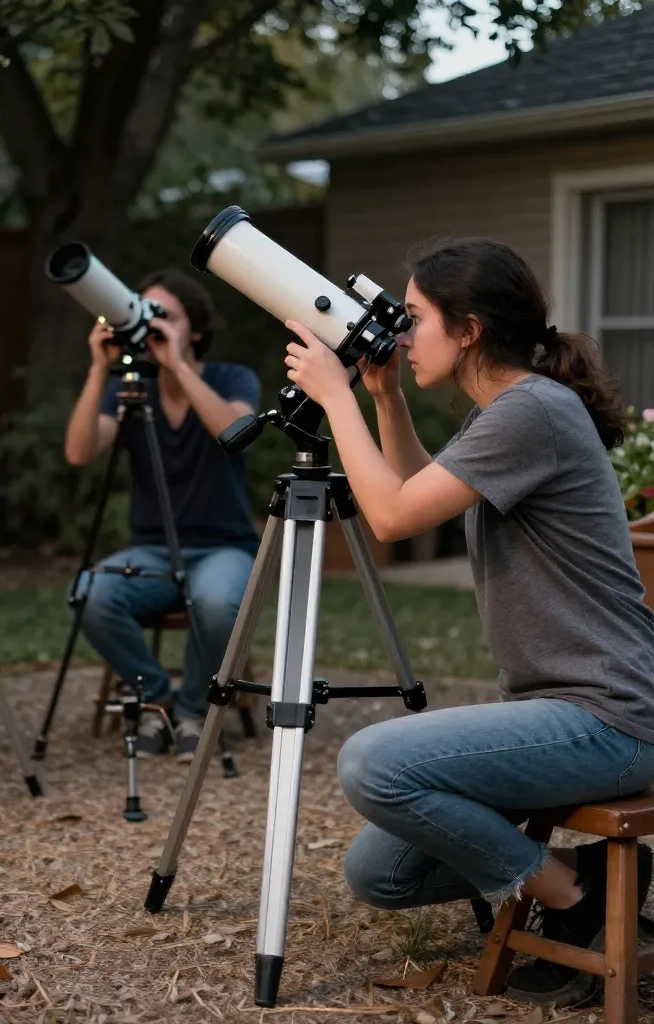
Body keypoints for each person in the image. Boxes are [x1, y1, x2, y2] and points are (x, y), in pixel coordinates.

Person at [283, 237, 654, 1007]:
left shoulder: (533, 413)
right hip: (560, 710)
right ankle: (575, 882)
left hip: (614, 717)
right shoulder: (512, 412)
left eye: (415, 317)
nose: (401, 333)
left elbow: (387, 517)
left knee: (372, 763)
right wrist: (383, 397)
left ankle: (568, 901)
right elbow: (418, 490)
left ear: (470, 329)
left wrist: (337, 400)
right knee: (380, 872)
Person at [64, 269, 260, 761]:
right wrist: (96, 370)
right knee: (88, 593)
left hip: (224, 546)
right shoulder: (131, 389)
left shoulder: (231, 378)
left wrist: (179, 367)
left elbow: (235, 432)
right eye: (146, 316)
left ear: (194, 329)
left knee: (215, 604)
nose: (153, 329)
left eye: (166, 318)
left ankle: (195, 712)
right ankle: (158, 700)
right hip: (152, 550)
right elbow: (79, 453)